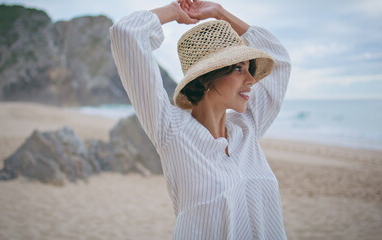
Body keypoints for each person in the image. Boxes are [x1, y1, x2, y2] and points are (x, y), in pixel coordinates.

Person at [110, 0, 291, 239]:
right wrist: (175, 11)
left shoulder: (247, 128)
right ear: (207, 77)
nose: (251, 79)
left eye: (249, 68)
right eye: (239, 68)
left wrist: (219, 13)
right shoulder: (172, 131)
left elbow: (279, 62)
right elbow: (126, 32)